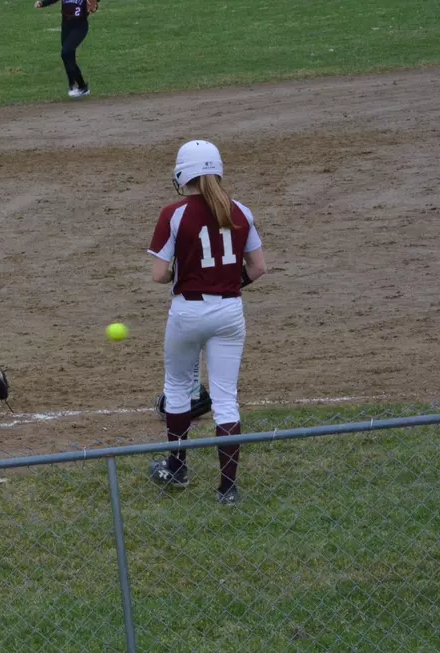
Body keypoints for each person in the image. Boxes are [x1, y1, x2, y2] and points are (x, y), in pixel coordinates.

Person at [146, 139, 267, 505]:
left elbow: (159, 274)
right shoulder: (241, 211)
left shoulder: (174, 213)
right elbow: (258, 268)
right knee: (226, 399)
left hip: (188, 311)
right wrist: (228, 283)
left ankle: (177, 467)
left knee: (179, 387)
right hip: (230, 312)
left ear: (184, 173)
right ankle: (228, 489)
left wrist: (184, 274)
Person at [34, 0, 98, 98]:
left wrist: (94, 6)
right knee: (67, 56)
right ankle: (75, 85)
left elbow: (93, 5)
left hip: (80, 26)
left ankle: (81, 86)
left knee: (66, 52)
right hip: (66, 26)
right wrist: (42, 3)